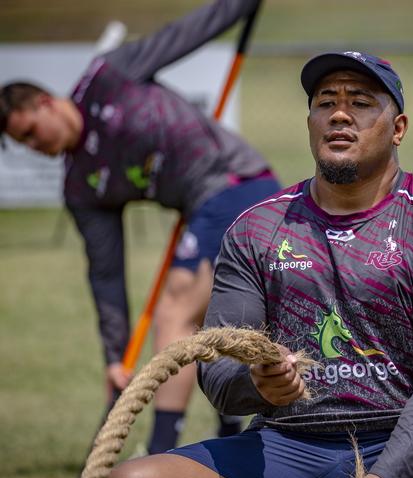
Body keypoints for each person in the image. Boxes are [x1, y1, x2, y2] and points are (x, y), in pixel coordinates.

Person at [106, 51, 413, 478]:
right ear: (310, 124)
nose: (340, 115)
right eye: (325, 103)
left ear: (398, 127)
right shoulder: (255, 229)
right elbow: (222, 369)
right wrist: (258, 383)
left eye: (361, 103)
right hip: (287, 444)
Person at [0, 0, 280, 454]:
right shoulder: (80, 186)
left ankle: (160, 455)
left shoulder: (106, 77)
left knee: (175, 312)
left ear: (46, 103)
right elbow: (106, 271)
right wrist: (115, 355)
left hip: (235, 183)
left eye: (32, 132)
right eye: (24, 144)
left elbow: (186, 33)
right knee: (217, 319)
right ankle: (232, 437)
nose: (36, 147)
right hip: (202, 205)